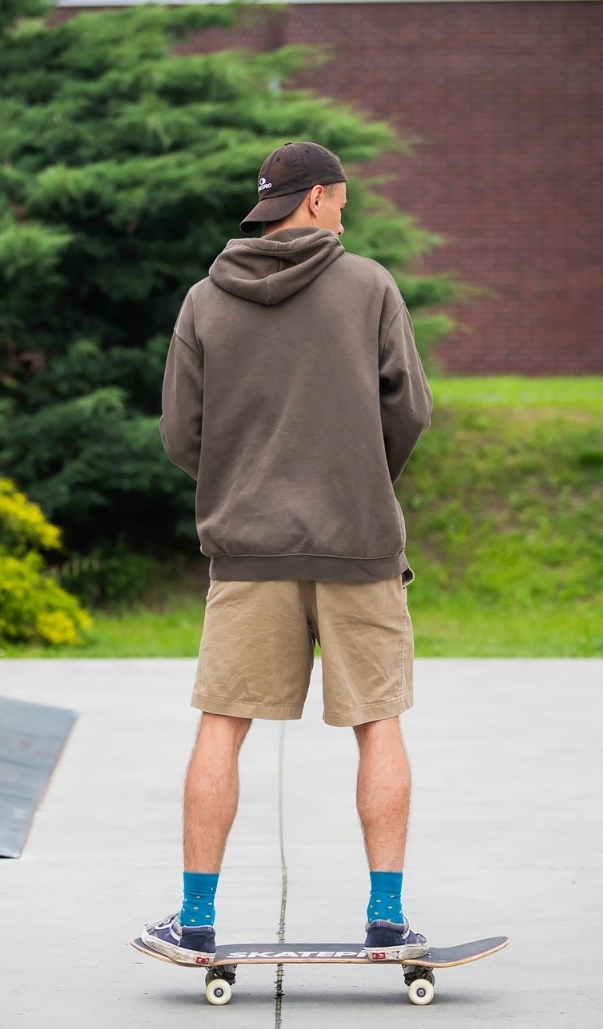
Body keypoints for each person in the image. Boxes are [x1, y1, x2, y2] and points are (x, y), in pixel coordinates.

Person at [143, 141, 434, 965]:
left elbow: (178, 433)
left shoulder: (205, 300)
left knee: (222, 726)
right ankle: (386, 919)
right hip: (359, 548)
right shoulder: (369, 286)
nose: (345, 212)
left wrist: (243, 483)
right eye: (340, 199)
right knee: (378, 725)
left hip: (249, 552)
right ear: (314, 200)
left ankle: (195, 920)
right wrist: (359, 479)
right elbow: (409, 409)